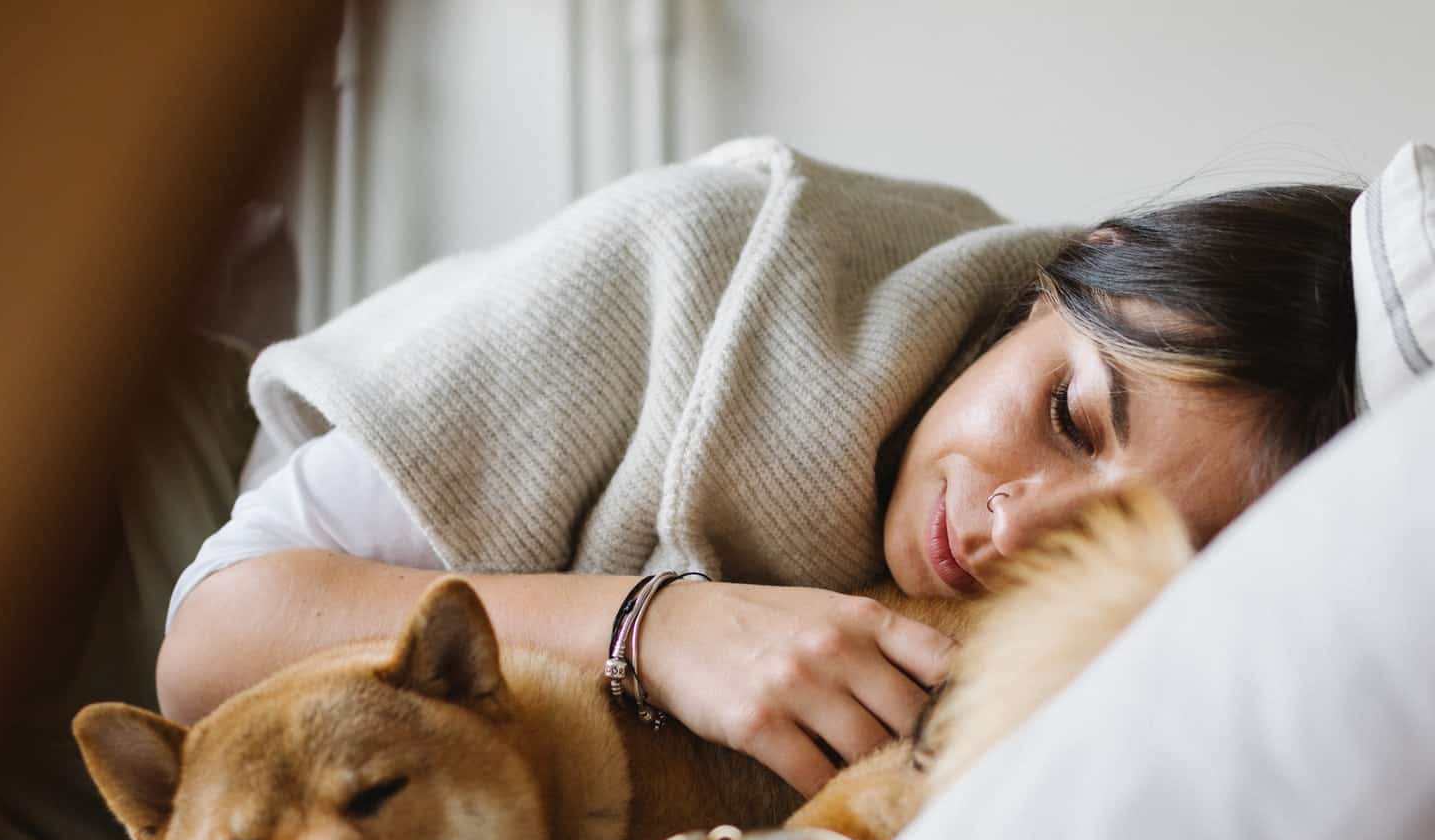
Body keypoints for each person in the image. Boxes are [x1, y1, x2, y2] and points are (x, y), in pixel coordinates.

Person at [158, 142, 1359, 799]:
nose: (1013, 529)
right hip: (138, 539)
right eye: (1068, 415)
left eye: (1115, 540)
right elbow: (207, 647)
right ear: (1075, 268)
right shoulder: (712, 253)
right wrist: (656, 627)